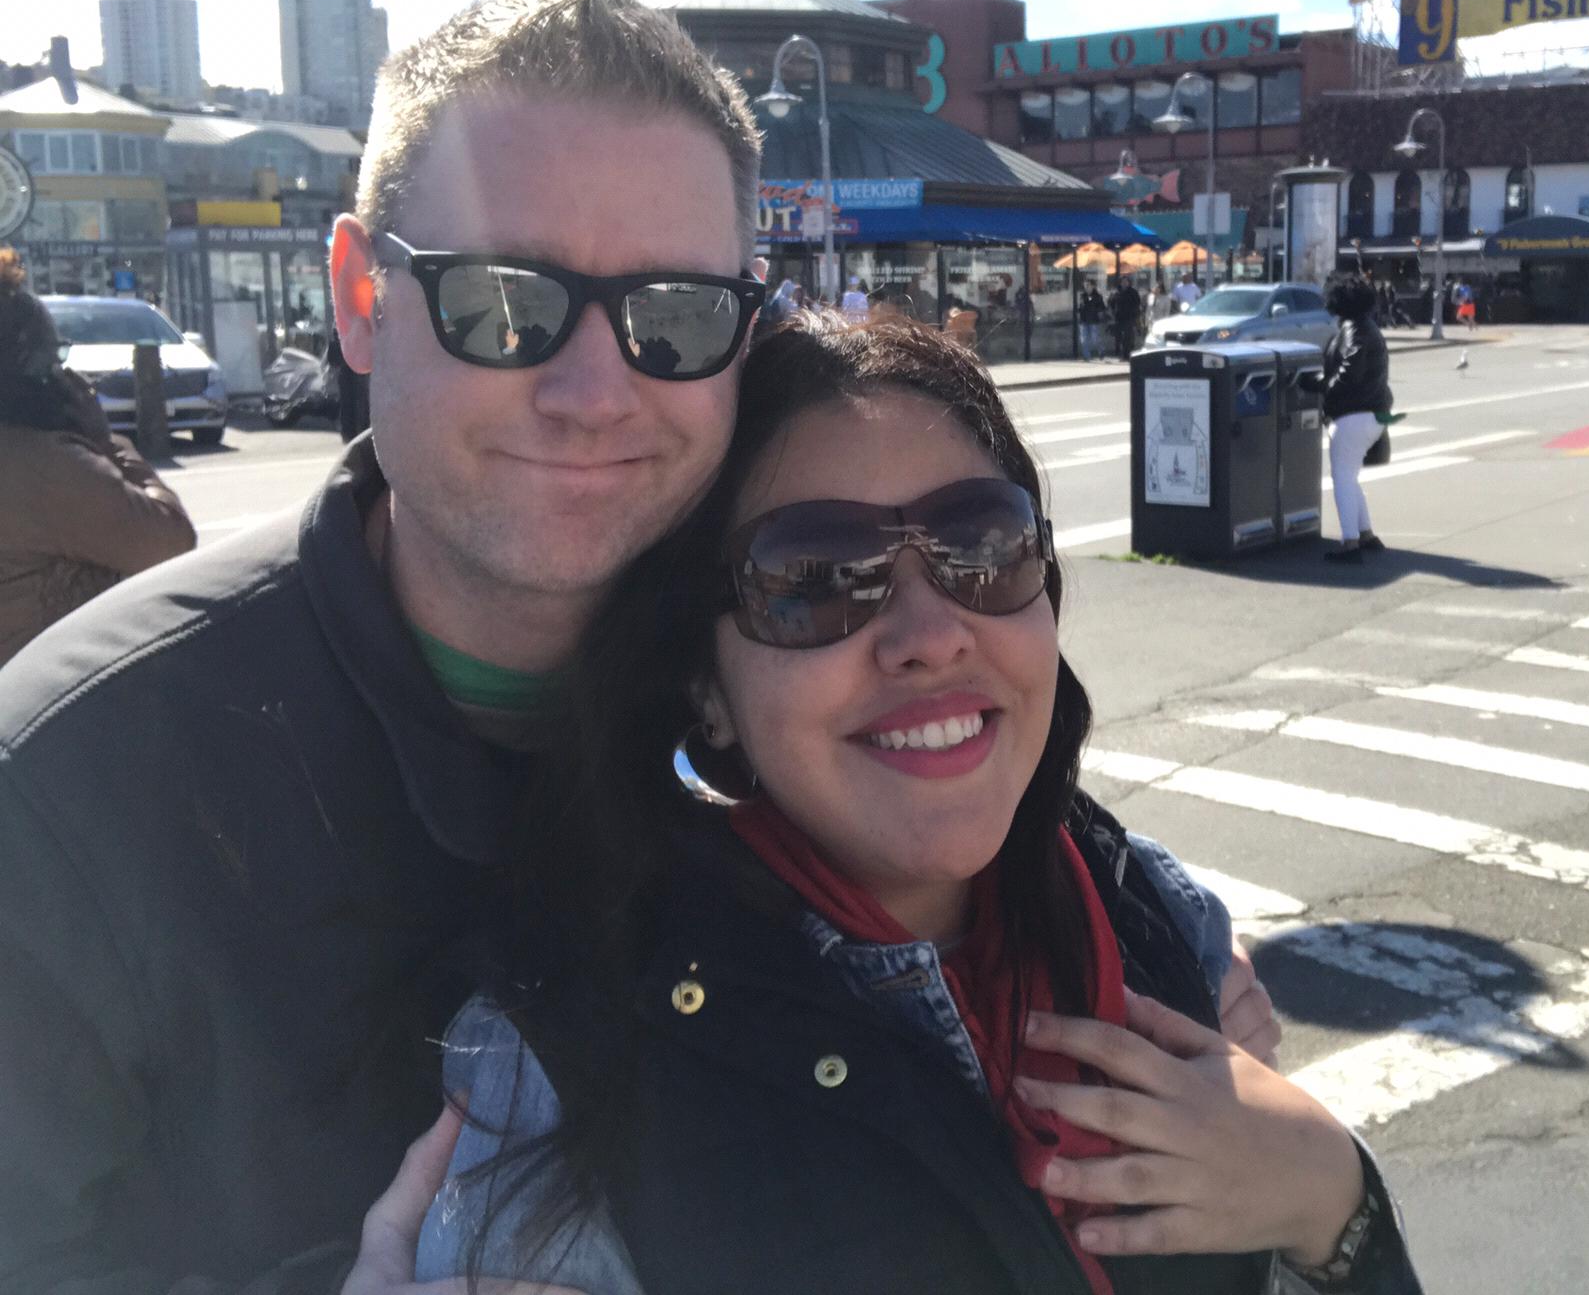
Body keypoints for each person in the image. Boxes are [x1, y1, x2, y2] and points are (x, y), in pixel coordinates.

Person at [0, 0, 772, 1291]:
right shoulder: (75, 791)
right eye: (505, 302)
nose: (597, 390)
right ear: (359, 295)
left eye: (677, 317)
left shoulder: (802, 670)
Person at [414, 315, 1421, 1294]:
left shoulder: (1157, 917)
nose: (930, 634)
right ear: (706, 689)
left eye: (981, 545)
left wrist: (1335, 1204)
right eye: (813, 578)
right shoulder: (568, 1065)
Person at [0, 248, 195, 665]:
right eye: (51, 358)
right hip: (46, 697)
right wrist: (106, 442)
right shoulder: (43, 467)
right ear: (20, 363)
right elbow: (170, 542)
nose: (60, 374)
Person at [1321, 277, 1393, 562]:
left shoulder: (1354, 330)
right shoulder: (1369, 326)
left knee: (1342, 478)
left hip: (1352, 414)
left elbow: (1350, 370)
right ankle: (1366, 534)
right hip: (1372, 413)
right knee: (1350, 476)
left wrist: (1323, 388)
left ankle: (1349, 542)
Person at [1111, 276, 1143, 360]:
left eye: (1126, 281)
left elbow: (1137, 303)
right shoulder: (1117, 292)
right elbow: (1111, 302)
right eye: (1123, 282)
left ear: (1129, 283)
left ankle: (1127, 354)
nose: (1124, 283)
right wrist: (1113, 312)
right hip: (1119, 318)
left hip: (1129, 317)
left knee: (1128, 337)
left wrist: (1135, 315)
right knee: (1119, 337)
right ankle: (1120, 353)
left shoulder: (1133, 292)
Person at [1077, 280, 1107, 360]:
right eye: (1085, 285)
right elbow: (1080, 308)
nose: (1086, 287)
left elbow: (1102, 307)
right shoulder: (1082, 296)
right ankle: (1086, 356)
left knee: (1095, 338)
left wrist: (1099, 312)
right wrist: (1080, 308)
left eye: (1088, 285)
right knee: (1084, 339)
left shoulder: (1097, 296)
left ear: (1092, 286)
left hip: (1094, 320)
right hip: (1084, 320)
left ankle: (1101, 350)